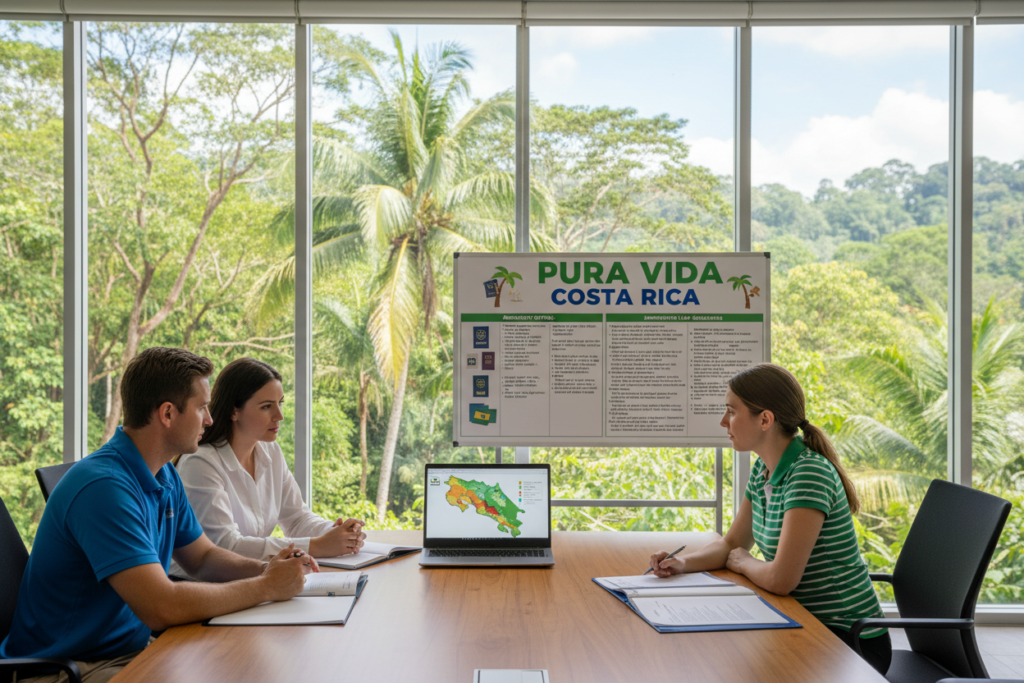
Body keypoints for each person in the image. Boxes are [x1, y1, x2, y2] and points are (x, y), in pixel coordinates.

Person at [0, 347, 316, 683]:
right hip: (66, 668)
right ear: (167, 413)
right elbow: (161, 606)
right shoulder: (104, 488)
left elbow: (203, 558)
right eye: (202, 408)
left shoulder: (164, 475)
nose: (210, 419)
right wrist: (265, 587)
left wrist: (267, 570)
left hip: (126, 649)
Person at [649, 363, 892, 675]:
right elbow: (733, 544)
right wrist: (681, 564)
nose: (723, 421)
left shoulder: (808, 472)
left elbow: (780, 579)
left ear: (765, 419)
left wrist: (742, 562)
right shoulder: (763, 469)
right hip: (801, 620)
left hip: (848, 641)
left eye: (731, 411)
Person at [171, 357, 365, 577]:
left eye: (280, 403)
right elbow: (225, 546)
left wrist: (336, 532)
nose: (279, 416)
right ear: (234, 411)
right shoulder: (201, 463)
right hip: (199, 589)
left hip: (247, 581)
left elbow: (297, 518)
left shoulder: (270, 452)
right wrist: (318, 545)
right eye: (266, 407)